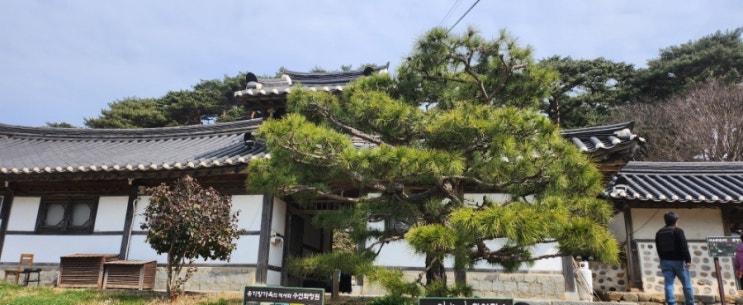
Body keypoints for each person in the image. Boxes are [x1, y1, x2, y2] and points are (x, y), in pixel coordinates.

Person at [655, 211, 695, 305]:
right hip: (679, 261)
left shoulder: (659, 232)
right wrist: (688, 260)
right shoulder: (678, 231)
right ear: (675, 221)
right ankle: (690, 302)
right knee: (686, 284)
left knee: (669, 283)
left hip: (665, 261)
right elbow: (684, 246)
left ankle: (671, 302)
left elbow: (658, 248)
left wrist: (662, 259)